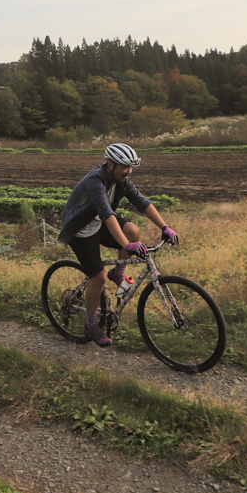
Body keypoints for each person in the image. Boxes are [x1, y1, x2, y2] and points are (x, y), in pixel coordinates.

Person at [57, 143, 180, 346]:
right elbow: (107, 214)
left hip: (99, 223)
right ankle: (90, 325)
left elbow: (143, 203)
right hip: (81, 230)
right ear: (111, 164)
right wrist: (126, 245)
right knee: (98, 278)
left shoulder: (123, 181)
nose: (129, 171)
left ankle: (119, 272)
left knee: (133, 231)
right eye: (125, 167)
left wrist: (165, 227)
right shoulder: (96, 180)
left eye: (131, 167)